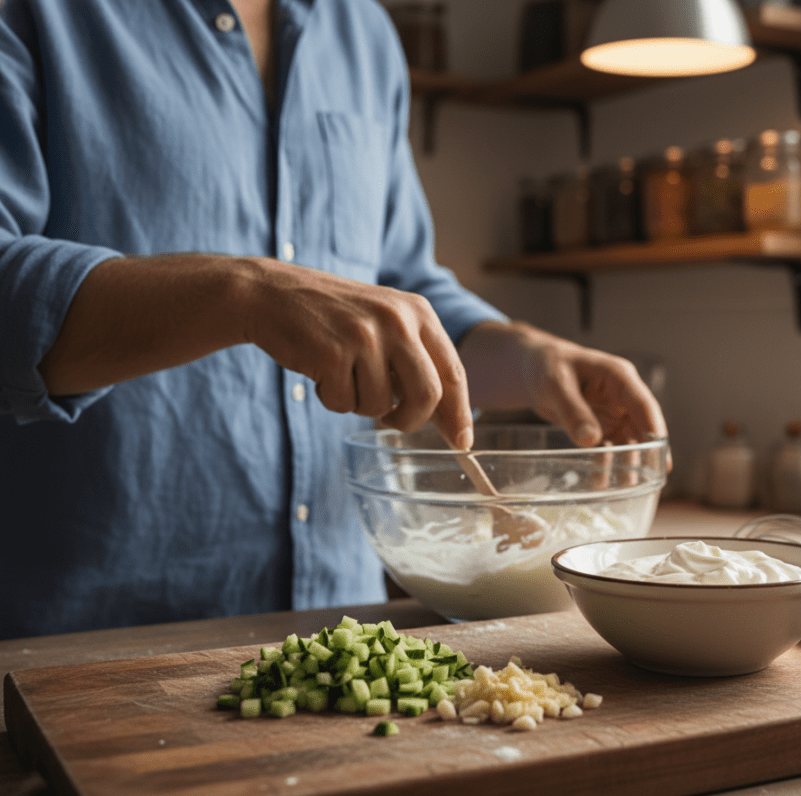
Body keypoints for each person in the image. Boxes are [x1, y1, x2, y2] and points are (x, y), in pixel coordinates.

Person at [0, 0, 669, 640]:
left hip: (342, 627)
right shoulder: (35, 11)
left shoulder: (363, 32)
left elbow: (399, 286)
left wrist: (525, 356)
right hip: (83, 643)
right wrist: (243, 293)